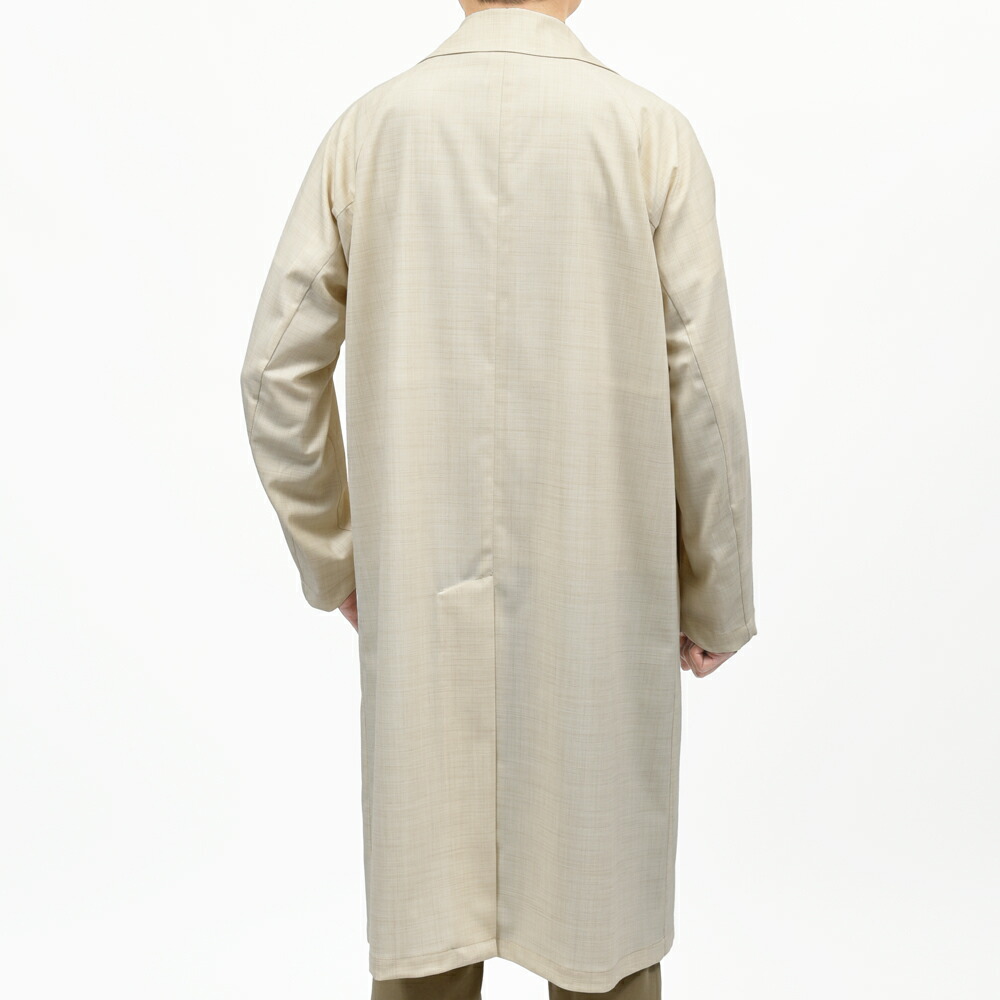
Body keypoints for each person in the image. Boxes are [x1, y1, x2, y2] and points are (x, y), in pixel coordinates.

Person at [239, 1, 757, 996]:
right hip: (601, 612)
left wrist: (337, 557)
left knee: (425, 937)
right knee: (604, 937)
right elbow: (700, 386)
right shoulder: (648, 134)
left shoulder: (370, 132)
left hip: (421, 608)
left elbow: (272, 374)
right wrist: (716, 593)